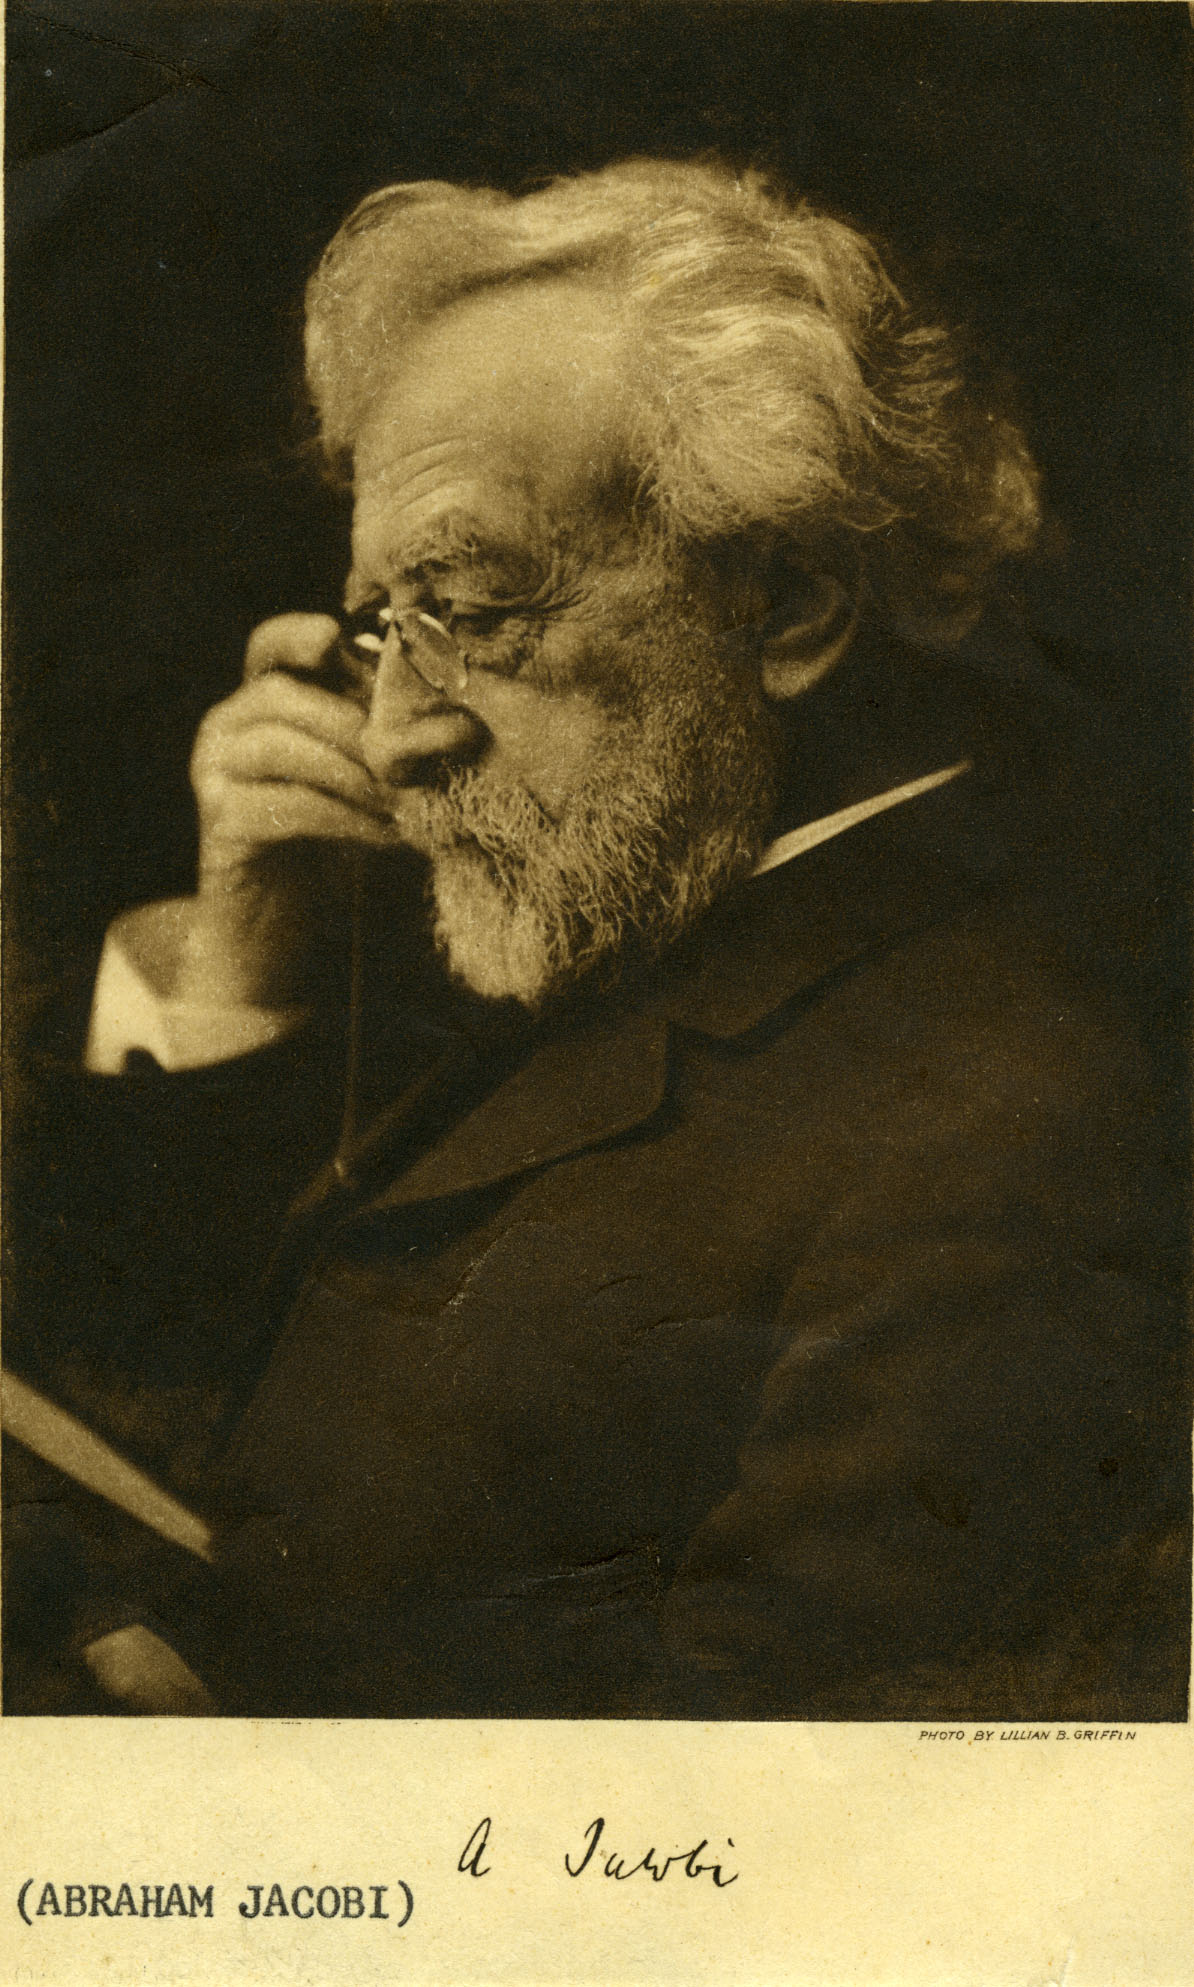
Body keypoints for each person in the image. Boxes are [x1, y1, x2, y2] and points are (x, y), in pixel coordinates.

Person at [8, 159, 1187, 1718]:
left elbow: (787, 1814)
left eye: (472, 606)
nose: (391, 735)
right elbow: (190, 1374)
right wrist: (241, 961)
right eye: (382, 624)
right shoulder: (635, 898)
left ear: (786, 610)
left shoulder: (1010, 1126)